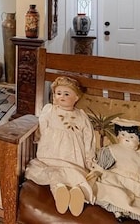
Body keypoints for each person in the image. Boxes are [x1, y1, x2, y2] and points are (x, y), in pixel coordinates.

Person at [24, 75, 96, 216]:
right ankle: (60, 194)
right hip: (50, 156)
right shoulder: (50, 109)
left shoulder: (81, 115)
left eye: (66, 93)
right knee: (55, 176)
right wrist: (40, 140)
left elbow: (89, 137)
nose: (61, 96)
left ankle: (77, 196)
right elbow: (42, 126)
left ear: (76, 97)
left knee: (75, 176)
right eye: (58, 93)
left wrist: (89, 157)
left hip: (73, 159)